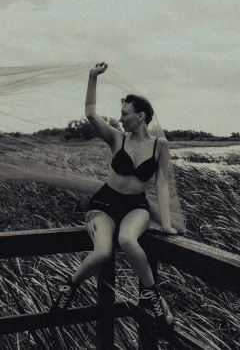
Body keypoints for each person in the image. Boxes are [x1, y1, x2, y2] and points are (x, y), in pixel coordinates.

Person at [50, 62, 178, 327]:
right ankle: (68, 289)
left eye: (125, 113)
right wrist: (92, 77)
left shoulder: (160, 146)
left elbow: (162, 184)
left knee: (129, 240)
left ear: (140, 116)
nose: (120, 118)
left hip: (136, 207)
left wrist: (165, 223)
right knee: (102, 253)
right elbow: (89, 113)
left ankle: (152, 295)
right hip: (104, 205)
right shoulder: (117, 139)